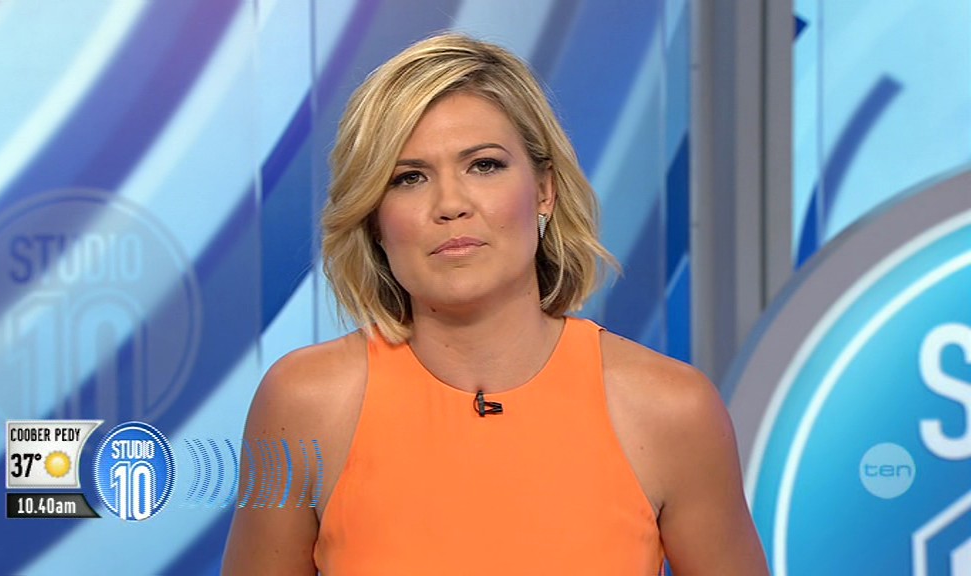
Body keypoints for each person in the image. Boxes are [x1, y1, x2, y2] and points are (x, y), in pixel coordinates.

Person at [222, 32, 769, 575]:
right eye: (409, 178)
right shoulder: (306, 406)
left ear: (545, 191)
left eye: (483, 165)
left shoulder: (670, 411)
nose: (450, 204)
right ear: (374, 220)